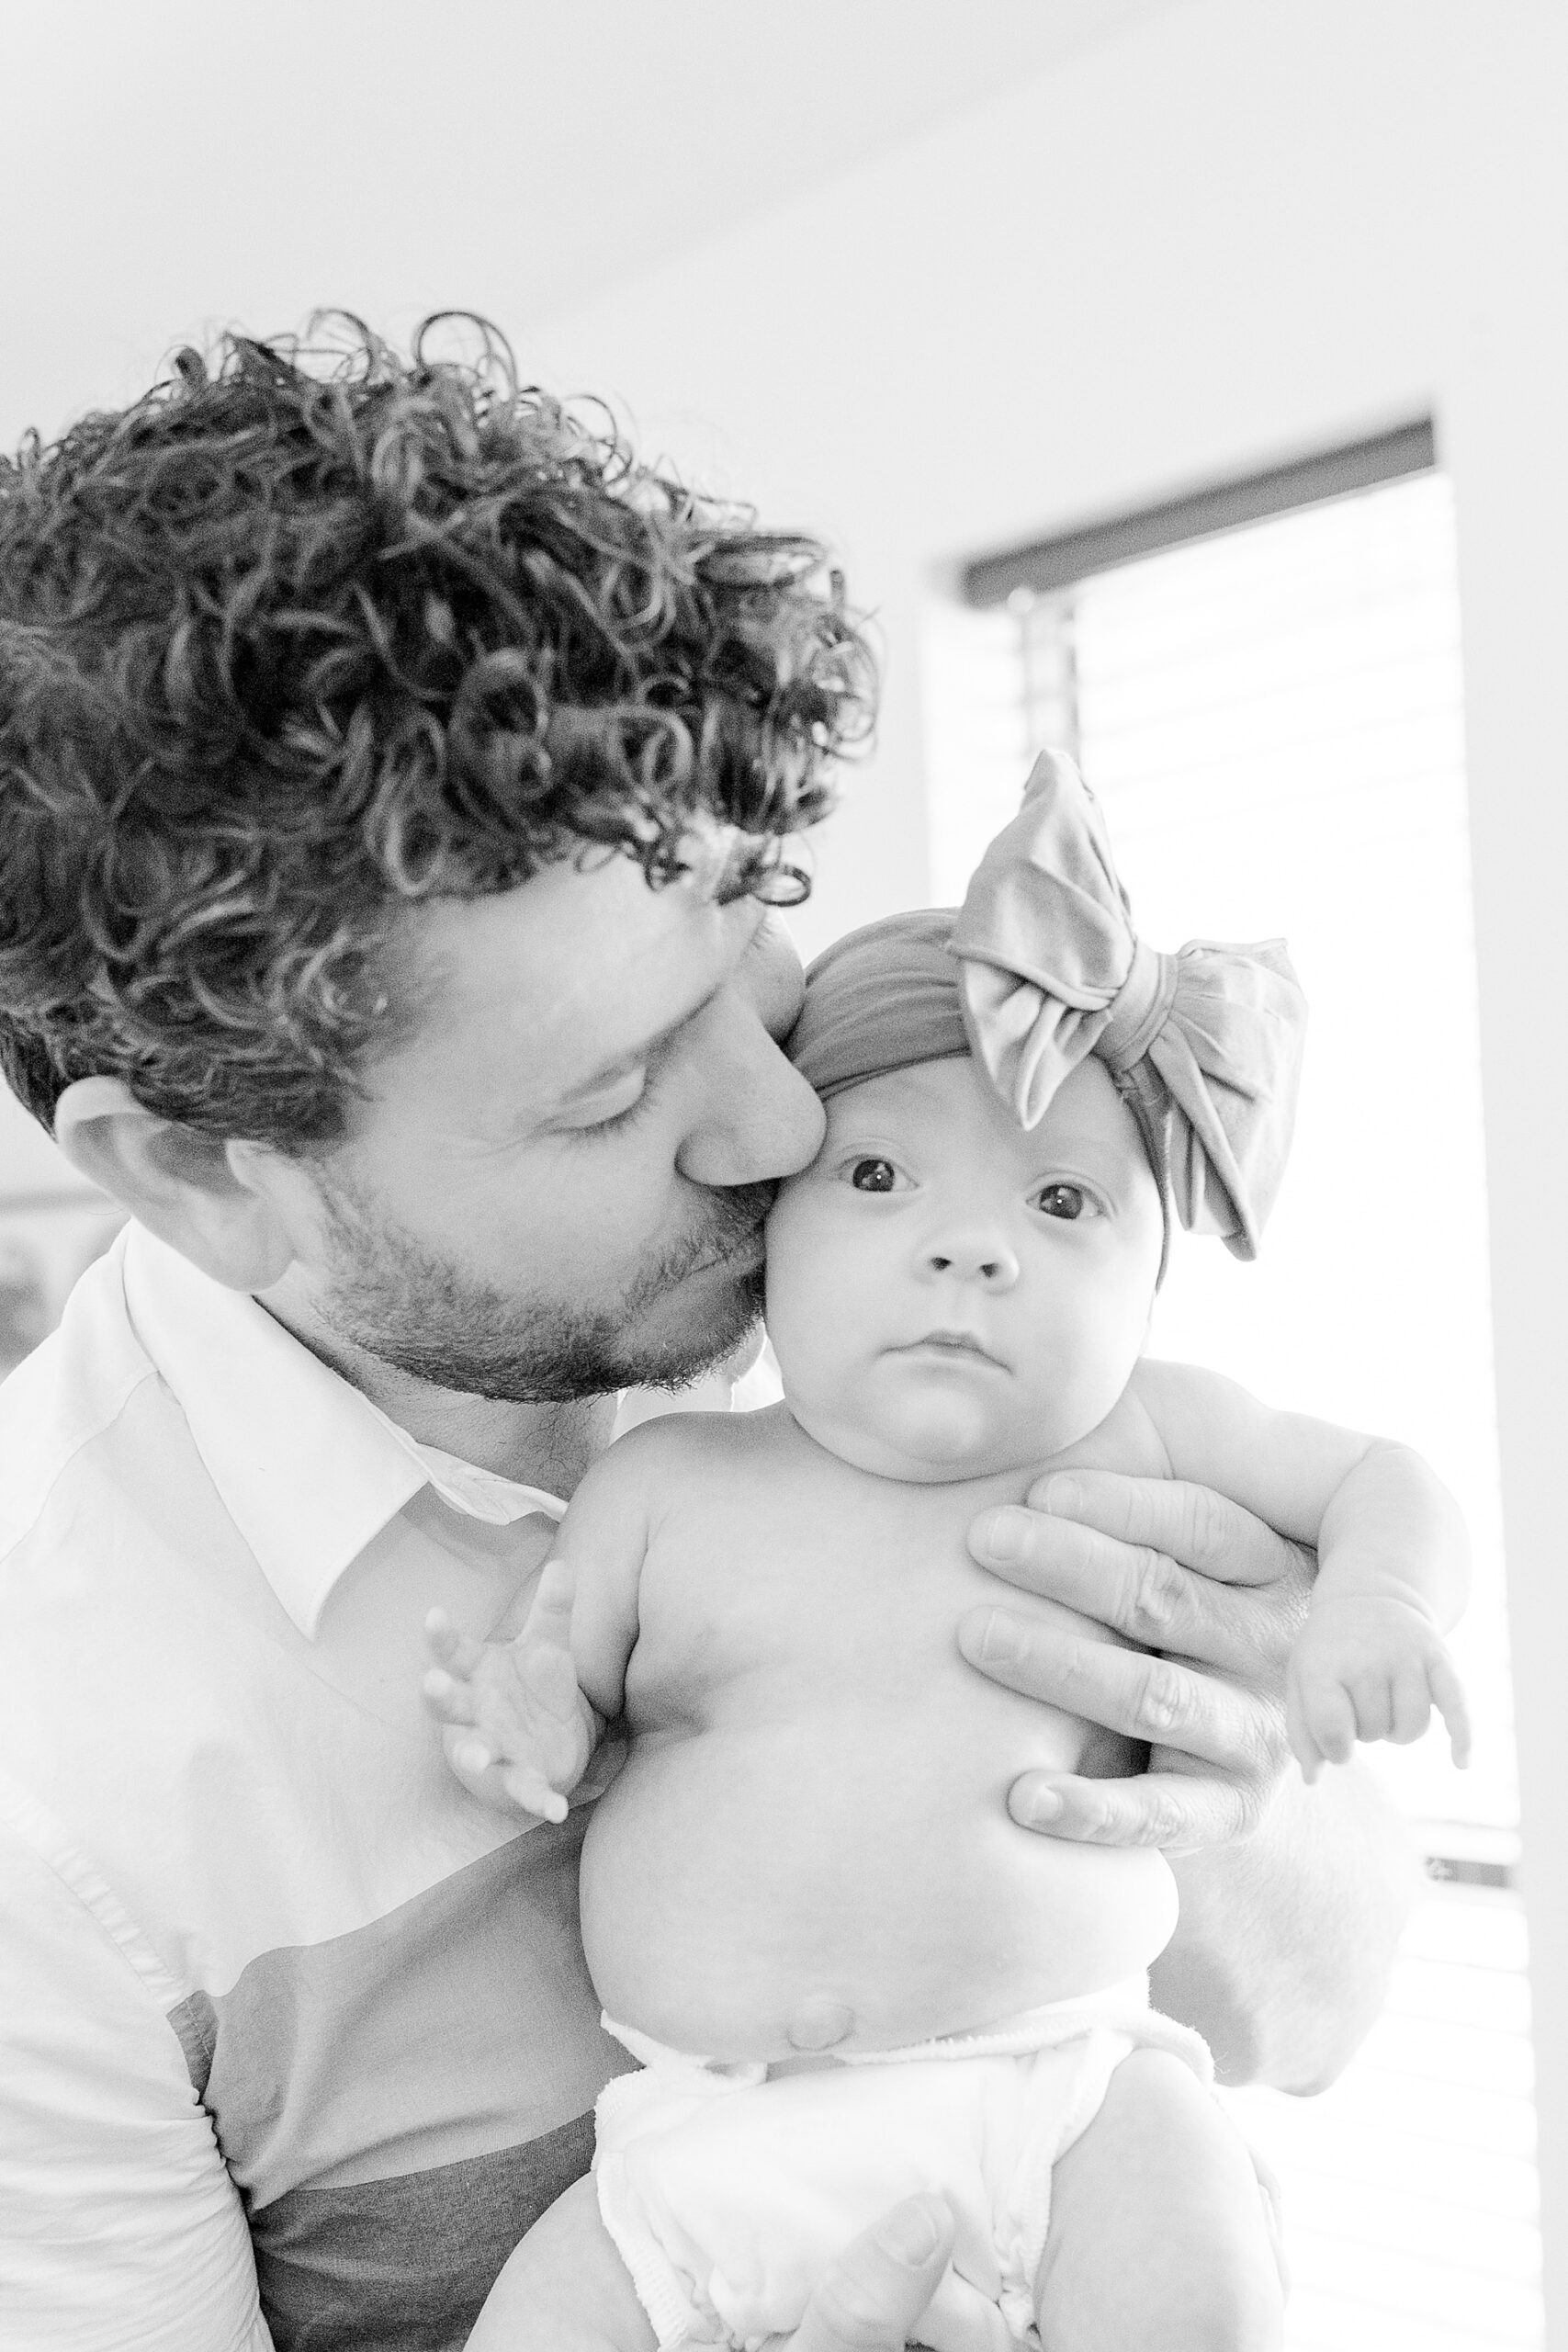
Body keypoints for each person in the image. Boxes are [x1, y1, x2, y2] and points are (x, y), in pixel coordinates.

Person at [0, 321, 1419, 2352]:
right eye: (608, 1092)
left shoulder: (912, 1263)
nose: (774, 1122)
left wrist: (1222, 1761)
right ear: (208, 1173)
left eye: (747, 934)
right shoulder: (42, 1776)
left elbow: (1317, 2005)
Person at [423, 752, 1468, 2351]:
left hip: (1057, 2101)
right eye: (879, 1175)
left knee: (1201, 2293)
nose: (969, 1244)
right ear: (767, 1237)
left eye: (1061, 1200)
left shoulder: (1150, 1437)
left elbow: (1386, 1477)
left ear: (1152, 1281)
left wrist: (1377, 1603)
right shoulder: (668, 1482)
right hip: (693, 2147)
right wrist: (532, 1727)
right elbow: (562, 1690)